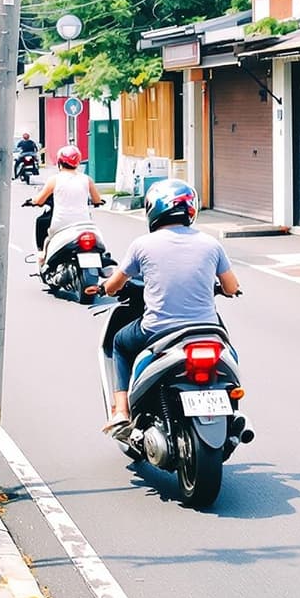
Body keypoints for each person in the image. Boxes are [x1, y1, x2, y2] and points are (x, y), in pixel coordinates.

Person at [92, 179, 241, 436]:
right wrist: (224, 289)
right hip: (206, 328)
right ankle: (232, 407)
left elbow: (116, 283)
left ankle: (121, 411)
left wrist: (106, 288)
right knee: (228, 352)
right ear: (190, 210)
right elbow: (230, 286)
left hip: (158, 330)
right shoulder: (211, 244)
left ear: (154, 209)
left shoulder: (142, 245)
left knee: (119, 343)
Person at [29, 144, 102, 250]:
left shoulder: (54, 180)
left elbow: (39, 200)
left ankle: (41, 255)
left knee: (43, 228)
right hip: (84, 224)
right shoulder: (87, 179)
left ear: (59, 162)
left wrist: (33, 201)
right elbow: (97, 200)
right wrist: (97, 202)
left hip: (60, 224)